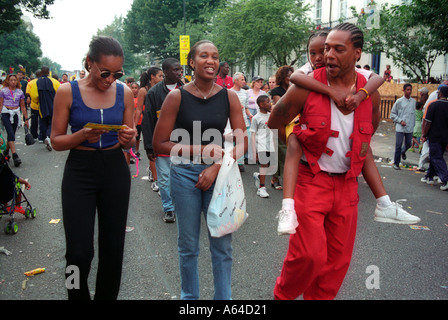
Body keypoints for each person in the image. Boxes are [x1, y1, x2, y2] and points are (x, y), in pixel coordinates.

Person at [268, 23, 416, 300]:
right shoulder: (305, 86)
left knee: (336, 263)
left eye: (338, 49)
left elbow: (366, 140)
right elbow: (275, 120)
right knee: (309, 255)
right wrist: (294, 136)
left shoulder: (368, 93)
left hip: (347, 186)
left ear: (357, 54)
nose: (328, 55)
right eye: (326, 49)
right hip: (311, 180)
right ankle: (283, 296)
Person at [152, 40, 247, 300]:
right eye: (204, 56)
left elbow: (242, 141)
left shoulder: (229, 96)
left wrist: (217, 166)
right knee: (188, 246)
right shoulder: (176, 96)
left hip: (220, 174)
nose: (211, 61)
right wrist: (200, 150)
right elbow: (159, 143)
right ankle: (189, 300)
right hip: (184, 176)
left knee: (222, 244)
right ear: (191, 63)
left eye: (215, 56)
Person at [50, 36, 136, 300]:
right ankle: (76, 296)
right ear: (90, 63)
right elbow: (56, 140)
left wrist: (127, 139)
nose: (111, 79)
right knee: (78, 251)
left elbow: (131, 138)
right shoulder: (67, 91)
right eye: (105, 72)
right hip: (80, 171)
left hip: (114, 170)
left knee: (113, 248)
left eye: (117, 73)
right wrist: (81, 136)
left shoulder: (125, 92)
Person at [141, 58, 183, 223]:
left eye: (180, 69)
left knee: (182, 178)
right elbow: (148, 121)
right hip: (163, 145)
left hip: (184, 146)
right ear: (165, 72)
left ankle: (182, 206)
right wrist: (149, 147)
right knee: (164, 179)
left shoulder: (187, 90)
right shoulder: (154, 93)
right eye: (175, 70)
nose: (179, 73)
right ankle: (168, 208)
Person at [134, 67, 163, 192]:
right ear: (152, 76)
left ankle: (154, 172)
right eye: (160, 76)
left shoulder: (163, 88)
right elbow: (139, 109)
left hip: (161, 124)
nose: (162, 78)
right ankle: (156, 181)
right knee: (153, 151)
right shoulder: (143, 90)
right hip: (148, 123)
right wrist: (134, 126)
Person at [270, 66, 294, 191]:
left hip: (292, 124)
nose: (290, 78)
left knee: (287, 153)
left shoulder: (295, 90)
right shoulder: (276, 91)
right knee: (280, 152)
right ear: (282, 77)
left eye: (292, 75)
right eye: (288, 76)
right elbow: (282, 108)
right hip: (279, 125)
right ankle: (277, 179)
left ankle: (277, 178)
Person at [421, 85, 448, 190]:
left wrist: (424, 134)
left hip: (435, 136)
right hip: (445, 137)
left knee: (436, 157)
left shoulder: (434, 105)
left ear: (440, 94)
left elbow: (427, 122)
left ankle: (445, 178)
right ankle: (429, 175)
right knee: (436, 155)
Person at [0, 74, 28, 167]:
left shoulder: (20, 92)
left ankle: (6, 152)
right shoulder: (3, 91)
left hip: (15, 113)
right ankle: (15, 155)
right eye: (11, 80)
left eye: (14, 80)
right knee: (10, 133)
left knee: (11, 134)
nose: (13, 82)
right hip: (6, 113)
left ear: (17, 81)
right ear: (7, 81)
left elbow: (23, 106)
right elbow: (0, 104)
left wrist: (26, 118)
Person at [30, 66, 61, 150]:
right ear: (48, 72)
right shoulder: (54, 82)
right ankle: (48, 136)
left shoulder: (36, 82)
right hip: (53, 106)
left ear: (41, 72)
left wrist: (37, 102)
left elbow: (34, 95)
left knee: (43, 121)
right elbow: (60, 93)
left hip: (42, 106)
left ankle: (44, 137)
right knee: (52, 122)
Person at [251, 95, 275, 198]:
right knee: (264, 165)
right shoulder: (256, 118)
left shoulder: (271, 115)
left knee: (272, 166)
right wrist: (254, 151)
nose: (270, 104)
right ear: (261, 104)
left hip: (271, 144)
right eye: (268, 102)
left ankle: (259, 176)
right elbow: (253, 134)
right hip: (261, 145)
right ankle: (261, 188)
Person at [390, 83, 416, 170]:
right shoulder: (399, 101)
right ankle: (396, 163)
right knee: (398, 145)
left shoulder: (413, 102)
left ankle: (403, 151)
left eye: (410, 90)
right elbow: (392, 114)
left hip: (409, 127)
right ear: (404, 90)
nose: (409, 91)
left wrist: (413, 125)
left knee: (408, 143)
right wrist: (400, 121)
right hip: (400, 127)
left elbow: (413, 115)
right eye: (407, 90)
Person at [230, 72, 250, 171]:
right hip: (232, 122)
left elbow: (246, 108)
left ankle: (240, 162)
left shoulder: (245, 93)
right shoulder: (229, 92)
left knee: (244, 141)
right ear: (236, 81)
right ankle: (232, 161)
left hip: (244, 121)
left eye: (244, 79)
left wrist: (250, 115)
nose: (244, 81)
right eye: (241, 79)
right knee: (234, 142)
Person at [26, 69, 41, 140]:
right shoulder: (46, 82)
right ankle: (42, 135)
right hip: (43, 106)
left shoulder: (31, 83)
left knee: (34, 120)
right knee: (43, 121)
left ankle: (34, 135)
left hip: (34, 105)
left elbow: (27, 93)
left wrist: (29, 98)